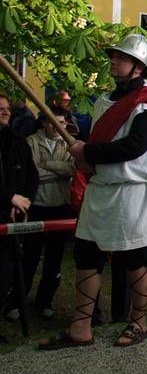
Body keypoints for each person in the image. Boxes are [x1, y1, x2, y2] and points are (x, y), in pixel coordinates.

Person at [39, 34, 147, 349]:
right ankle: (80, 327)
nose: (113, 61)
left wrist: (89, 152)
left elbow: (134, 147)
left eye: (120, 57)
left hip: (132, 192)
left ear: (138, 66)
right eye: (113, 56)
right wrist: (86, 152)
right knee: (86, 255)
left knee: (134, 258)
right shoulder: (104, 100)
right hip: (100, 189)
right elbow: (99, 145)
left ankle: (139, 322)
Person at [19, 107, 76, 318]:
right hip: (36, 206)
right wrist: (58, 171)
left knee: (54, 259)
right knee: (30, 257)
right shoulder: (31, 141)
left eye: (61, 123)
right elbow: (31, 173)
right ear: (44, 122)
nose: (57, 127)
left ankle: (45, 301)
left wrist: (47, 165)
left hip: (61, 207)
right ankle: (17, 300)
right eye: (53, 122)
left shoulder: (69, 143)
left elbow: (72, 169)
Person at [0, 94, 39, 336]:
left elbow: (31, 176)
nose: (4, 112)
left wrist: (22, 201)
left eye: (6, 109)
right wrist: (8, 197)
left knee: (5, 273)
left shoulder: (17, 142)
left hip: (13, 217)